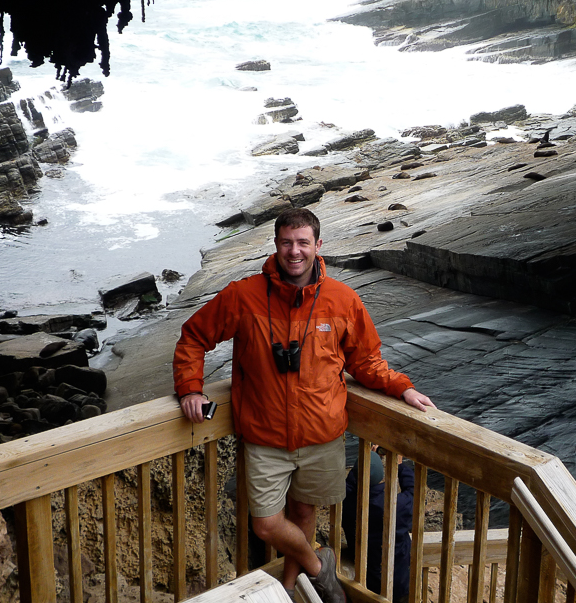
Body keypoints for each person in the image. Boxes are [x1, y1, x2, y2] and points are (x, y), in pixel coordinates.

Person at [172, 208, 435, 602]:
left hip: (322, 436)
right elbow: (193, 336)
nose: (294, 251)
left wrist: (402, 388)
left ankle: (295, 588)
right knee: (266, 524)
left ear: (317, 245)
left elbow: (365, 361)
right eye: (286, 243)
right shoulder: (243, 296)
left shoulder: (342, 299)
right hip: (264, 437)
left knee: (305, 516)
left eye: (302, 243)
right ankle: (319, 567)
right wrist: (191, 388)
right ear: (276, 245)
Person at [342, 446, 415, 601]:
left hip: (366, 577)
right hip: (398, 580)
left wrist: (367, 460)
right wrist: (399, 465)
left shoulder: (347, 501)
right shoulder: (395, 506)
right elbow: (413, 492)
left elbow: (350, 484)